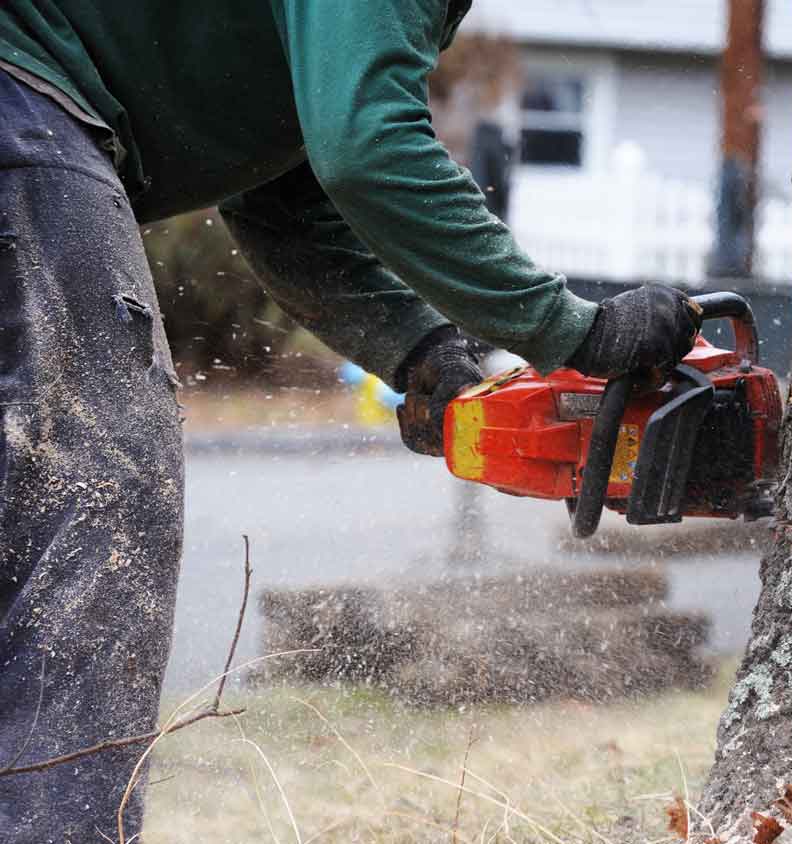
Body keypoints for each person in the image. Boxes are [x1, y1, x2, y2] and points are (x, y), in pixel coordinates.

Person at [0, 2, 702, 839]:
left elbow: (283, 196)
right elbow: (368, 149)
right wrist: (575, 333)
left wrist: (420, 348)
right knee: (99, 495)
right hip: (23, 93)